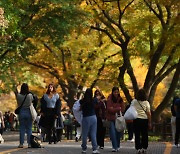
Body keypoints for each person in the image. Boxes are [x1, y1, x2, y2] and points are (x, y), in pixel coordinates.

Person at [80, 88, 100, 154]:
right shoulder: (94, 100)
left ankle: (84, 148)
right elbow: (99, 102)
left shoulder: (82, 101)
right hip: (93, 117)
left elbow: (79, 108)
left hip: (86, 118)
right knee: (93, 134)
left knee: (85, 134)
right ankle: (94, 148)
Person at [132, 89, 152, 154]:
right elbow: (148, 113)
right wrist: (149, 122)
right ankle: (144, 148)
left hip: (136, 119)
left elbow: (131, 109)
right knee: (144, 134)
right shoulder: (146, 102)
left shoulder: (134, 101)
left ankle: (138, 148)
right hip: (144, 120)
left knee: (137, 134)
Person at [16, 83, 35, 148]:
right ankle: (29, 144)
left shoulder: (18, 95)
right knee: (29, 129)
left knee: (22, 128)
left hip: (21, 112)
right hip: (29, 112)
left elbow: (18, 103)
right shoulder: (29, 95)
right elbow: (32, 101)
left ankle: (21, 143)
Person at [106, 86, 125, 152]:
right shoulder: (109, 99)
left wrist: (114, 109)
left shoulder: (120, 99)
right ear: (112, 92)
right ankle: (114, 147)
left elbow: (122, 108)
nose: (116, 93)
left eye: (117, 92)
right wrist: (117, 109)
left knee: (118, 133)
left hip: (118, 119)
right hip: (111, 118)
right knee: (113, 133)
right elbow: (109, 109)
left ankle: (118, 145)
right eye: (115, 92)